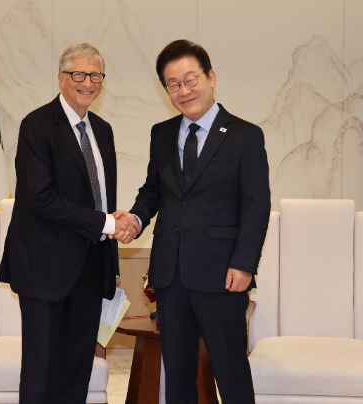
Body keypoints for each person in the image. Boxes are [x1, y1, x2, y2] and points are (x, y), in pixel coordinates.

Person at [113, 40, 270, 403]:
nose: (183, 91)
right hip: (171, 275)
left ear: (210, 77)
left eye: (190, 80)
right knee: (178, 375)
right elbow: (154, 191)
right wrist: (135, 218)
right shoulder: (162, 133)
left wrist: (244, 263)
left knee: (230, 372)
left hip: (223, 275)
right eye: (173, 84)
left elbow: (257, 204)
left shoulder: (245, 135)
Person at [0, 43, 139, 404]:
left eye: (95, 75)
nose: (87, 82)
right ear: (61, 78)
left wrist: (111, 265)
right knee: (42, 369)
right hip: (44, 268)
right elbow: (40, 197)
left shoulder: (102, 130)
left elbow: (103, 200)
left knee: (77, 367)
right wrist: (107, 224)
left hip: (90, 270)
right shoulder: (37, 125)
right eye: (79, 74)